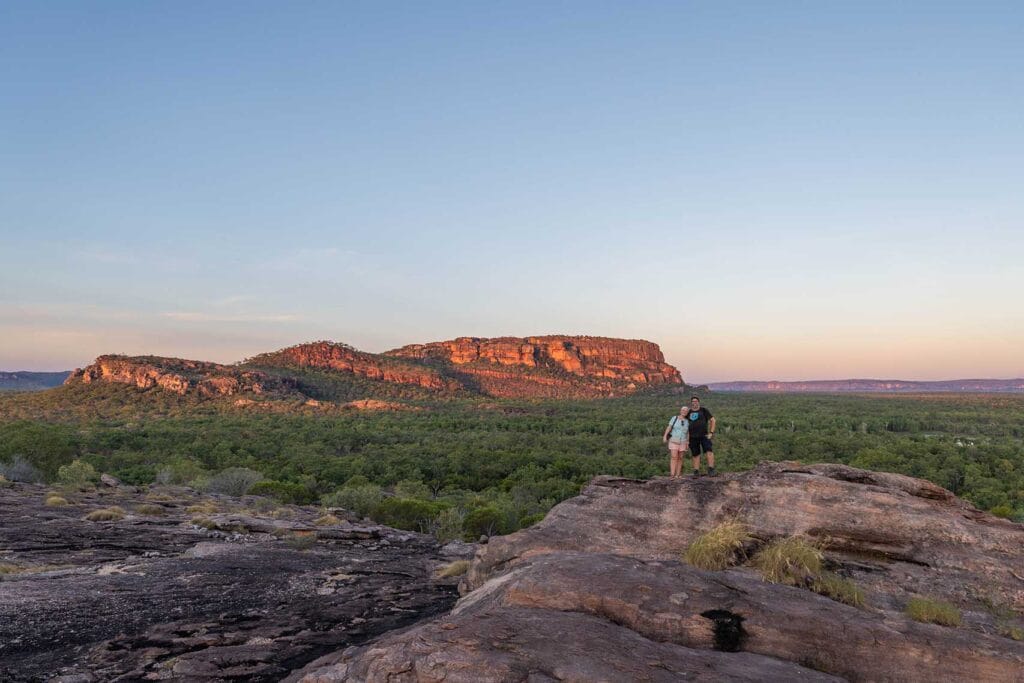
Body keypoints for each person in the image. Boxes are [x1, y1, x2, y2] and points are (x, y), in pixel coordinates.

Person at [686, 396, 716, 477]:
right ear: (691, 403)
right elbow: (684, 423)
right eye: (693, 401)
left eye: (696, 401)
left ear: (698, 402)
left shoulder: (703, 410)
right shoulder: (688, 412)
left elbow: (713, 420)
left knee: (709, 451)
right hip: (692, 437)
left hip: (704, 435)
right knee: (695, 454)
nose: (694, 402)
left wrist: (711, 432)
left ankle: (711, 469)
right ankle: (696, 471)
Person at [662, 405, 690, 478]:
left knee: (680, 458)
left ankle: (678, 474)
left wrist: (687, 442)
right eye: (683, 410)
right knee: (674, 457)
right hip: (674, 440)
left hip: (683, 441)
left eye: (686, 411)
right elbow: (669, 427)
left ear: (687, 413)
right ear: (680, 411)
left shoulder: (687, 421)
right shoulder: (674, 418)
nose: (684, 412)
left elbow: (688, 433)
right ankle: (672, 474)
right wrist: (665, 436)